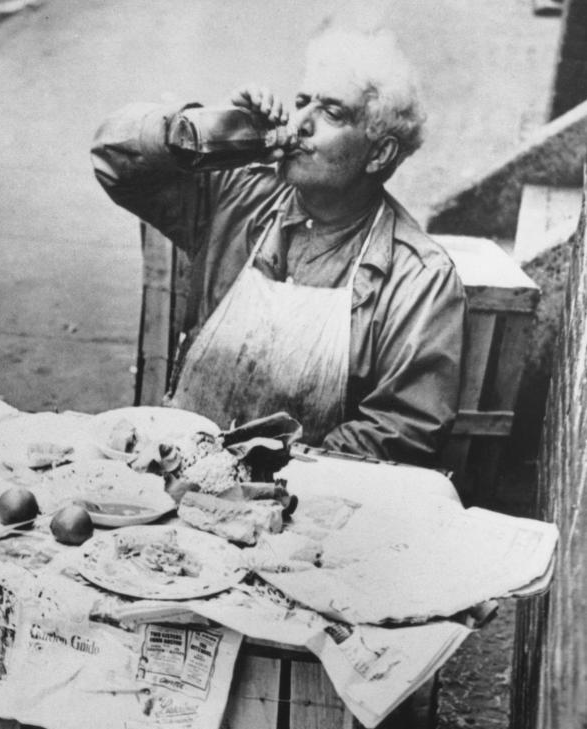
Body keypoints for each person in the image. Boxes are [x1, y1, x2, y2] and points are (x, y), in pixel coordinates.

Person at [91, 28, 465, 466]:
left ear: (379, 154)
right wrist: (217, 129)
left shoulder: (420, 278)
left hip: (304, 499)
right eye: (302, 101)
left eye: (332, 113)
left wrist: (256, 472)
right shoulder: (239, 194)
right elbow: (113, 161)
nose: (300, 122)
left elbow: (402, 432)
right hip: (176, 466)